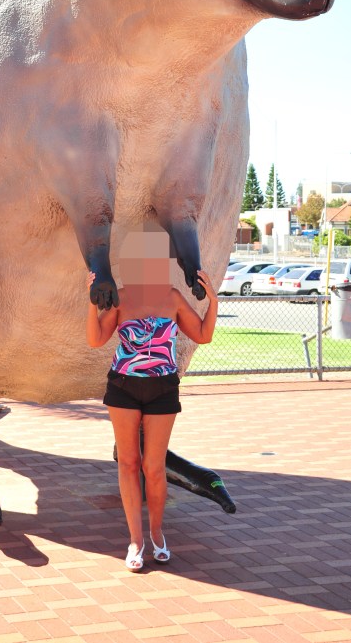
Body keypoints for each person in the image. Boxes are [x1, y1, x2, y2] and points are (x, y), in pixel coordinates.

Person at [86, 227, 218, 571]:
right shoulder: (120, 296)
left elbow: (202, 335)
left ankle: (157, 534)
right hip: (123, 387)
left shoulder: (173, 297)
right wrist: (91, 304)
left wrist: (213, 302)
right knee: (128, 464)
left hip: (162, 388)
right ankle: (135, 540)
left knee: (153, 467)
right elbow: (97, 339)